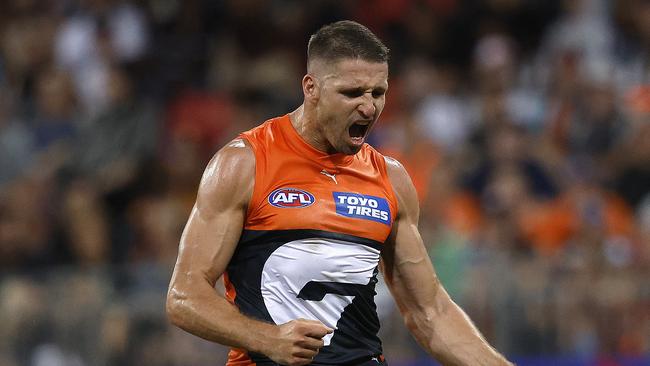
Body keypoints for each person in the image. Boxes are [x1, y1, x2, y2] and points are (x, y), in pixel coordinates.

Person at [166, 20, 513, 366]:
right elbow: (184, 296)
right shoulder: (245, 163)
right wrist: (266, 338)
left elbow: (430, 311)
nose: (368, 108)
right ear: (311, 87)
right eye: (352, 93)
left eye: (378, 93)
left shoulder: (390, 179)